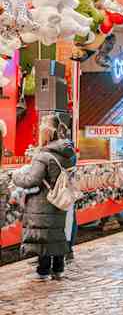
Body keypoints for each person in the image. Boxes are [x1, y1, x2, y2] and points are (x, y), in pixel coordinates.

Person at [12, 114, 76, 281]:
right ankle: (59, 268)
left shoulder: (44, 155)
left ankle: (43, 270)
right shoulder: (68, 153)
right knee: (57, 232)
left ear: (46, 133)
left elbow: (32, 180)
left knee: (44, 236)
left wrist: (16, 175)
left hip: (43, 201)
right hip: (60, 199)